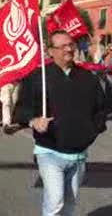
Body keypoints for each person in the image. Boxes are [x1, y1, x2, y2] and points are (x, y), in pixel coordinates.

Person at [14, 30, 108, 216]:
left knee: (70, 202)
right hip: (49, 151)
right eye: (62, 46)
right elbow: (21, 111)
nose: (69, 49)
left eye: (71, 44)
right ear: (50, 51)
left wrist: (92, 130)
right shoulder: (37, 77)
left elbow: (101, 108)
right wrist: (34, 121)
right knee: (56, 201)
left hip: (79, 153)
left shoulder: (88, 77)